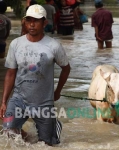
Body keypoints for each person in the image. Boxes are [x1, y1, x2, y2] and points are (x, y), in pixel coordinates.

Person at [0, 4, 70, 146]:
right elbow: (10, 74)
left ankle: (53, 127)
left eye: (36, 20)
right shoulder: (16, 44)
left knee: (47, 144)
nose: (32, 24)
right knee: (7, 130)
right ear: (24, 22)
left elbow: (66, 69)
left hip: (43, 103)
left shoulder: (53, 46)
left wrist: (57, 91)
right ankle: (27, 140)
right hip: (19, 99)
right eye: (29, 20)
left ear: (44, 23)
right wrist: (4, 102)